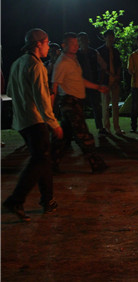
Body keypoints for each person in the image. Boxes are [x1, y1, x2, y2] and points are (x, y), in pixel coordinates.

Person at [3, 29, 64, 222]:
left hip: (22, 121)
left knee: (43, 160)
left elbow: (10, 91)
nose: (48, 47)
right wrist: (54, 123)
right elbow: (42, 99)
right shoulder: (36, 66)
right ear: (39, 44)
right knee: (39, 161)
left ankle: (48, 200)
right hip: (35, 121)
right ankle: (16, 199)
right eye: (47, 43)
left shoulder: (17, 63)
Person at [52, 32, 110, 173]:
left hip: (76, 101)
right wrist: (51, 110)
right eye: (72, 44)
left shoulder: (73, 59)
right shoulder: (62, 62)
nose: (75, 46)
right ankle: (96, 164)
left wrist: (97, 87)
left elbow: (79, 80)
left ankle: (50, 163)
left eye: (76, 44)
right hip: (69, 102)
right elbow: (54, 85)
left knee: (64, 137)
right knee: (83, 134)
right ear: (64, 45)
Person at [77, 32, 107, 135]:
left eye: (84, 39)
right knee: (80, 108)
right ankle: (81, 129)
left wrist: (100, 81)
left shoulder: (94, 52)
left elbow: (103, 66)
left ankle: (100, 127)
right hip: (80, 85)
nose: (83, 42)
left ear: (88, 40)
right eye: (81, 40)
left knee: (96, 107)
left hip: (93, 83)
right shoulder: (76, 54)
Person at [97, 29, 123, 135]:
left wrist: (117, 76)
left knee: (115, 106)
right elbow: (100, 67)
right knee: (105, 106)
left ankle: (117, 128)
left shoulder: (116, 51)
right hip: (105, 81)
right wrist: (110, 74)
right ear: (105, 37)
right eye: (109, 36)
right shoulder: (100, 51)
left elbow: (119, 65)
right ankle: (107, 127)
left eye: (112, 37)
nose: (111, 39)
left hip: (115, 81)